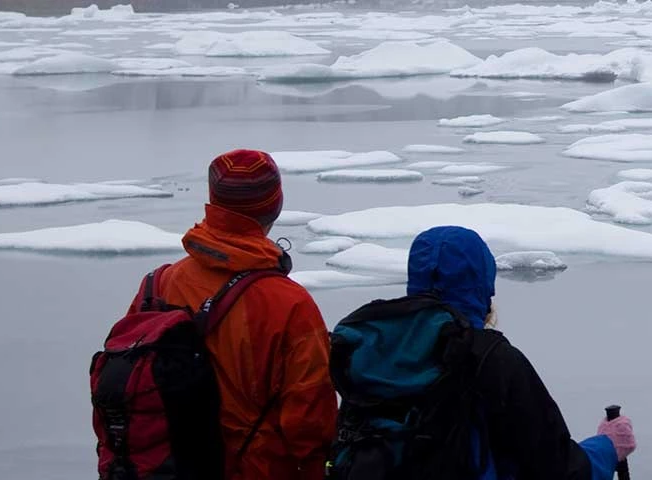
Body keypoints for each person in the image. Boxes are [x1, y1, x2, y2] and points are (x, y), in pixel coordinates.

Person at [327, 226, 617, 480]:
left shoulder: (373, 352)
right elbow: (558, 469)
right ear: (482, 283)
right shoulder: (492, 359)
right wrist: (608, 447)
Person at [132, 149, 336, 480]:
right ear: (275, 206)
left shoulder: (158, 285)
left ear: (214, 202)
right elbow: (310, 423)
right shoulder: (289, 305)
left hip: (162, 468)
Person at [597, 406, 636, 480]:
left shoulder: (623, 424)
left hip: (618, 455)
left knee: (622, 473)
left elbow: (630, 444)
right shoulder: (603, 425)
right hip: (607, 455)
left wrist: (622, 452)